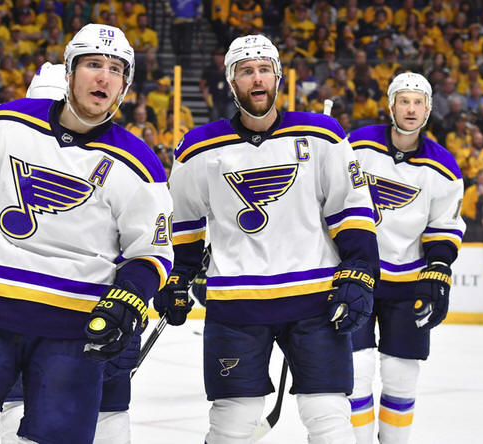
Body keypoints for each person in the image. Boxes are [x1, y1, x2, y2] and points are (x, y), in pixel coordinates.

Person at [0, 23, 173, 443]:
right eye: (93, 64)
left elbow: (151, 252)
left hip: (75, 330)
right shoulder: (2, 126)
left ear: (124, 86)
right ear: (69, 71)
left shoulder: (139, 164)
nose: (104, 77)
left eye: (115, 70)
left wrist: (128, 299)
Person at [155, 34, 379, 443]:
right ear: (231, 81)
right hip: (236, 303)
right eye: (246, 71)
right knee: (232, 420)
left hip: (314, 299)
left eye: (264, 70)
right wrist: (178, 276)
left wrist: (360, 269)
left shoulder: (323, 135)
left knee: (327, 413)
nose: (256, 79)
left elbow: (351, 209)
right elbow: (184, 222)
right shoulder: (198, 148)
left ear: (277, 77)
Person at [347, 72, 466, 444]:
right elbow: (332, 198)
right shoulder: (358, 145)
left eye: (418, 102)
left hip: (407, 283)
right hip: (357, 277)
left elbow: (444, 225)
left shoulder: (443, 167)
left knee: (401, 374)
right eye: (404, 101)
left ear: (428, 110)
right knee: (356, 369)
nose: (411, 109)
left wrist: (439, 265)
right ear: (391, 105)